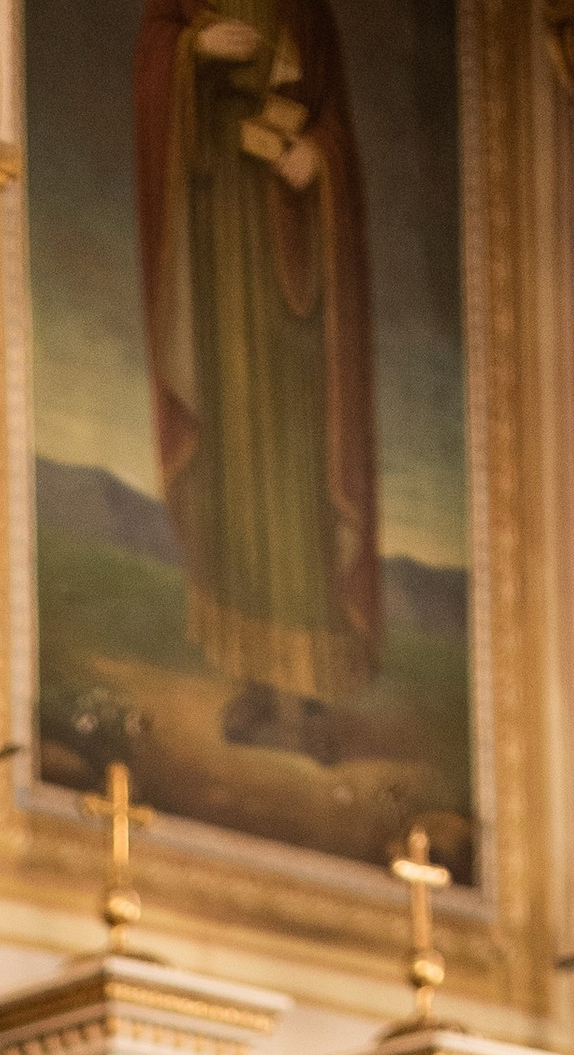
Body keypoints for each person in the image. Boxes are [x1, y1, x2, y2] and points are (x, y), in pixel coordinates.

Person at [135, 1, 380, 758]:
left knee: (297, 463)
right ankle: (254, 674)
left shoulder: (306, 9)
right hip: (219, 244)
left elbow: (334, 123)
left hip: (291, 272)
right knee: (237, 460)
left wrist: (319, 158)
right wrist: (191, 54)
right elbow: (154, 65)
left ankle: (306, 689)